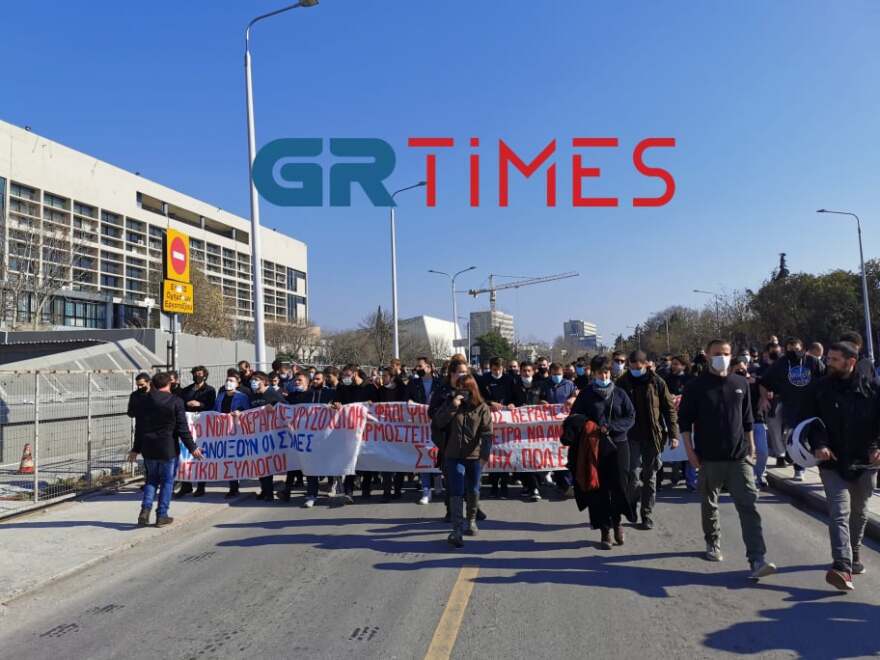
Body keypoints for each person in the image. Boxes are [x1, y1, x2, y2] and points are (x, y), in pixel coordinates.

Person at [679, 339, 777, 581]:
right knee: (709, 503)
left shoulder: (740, 383)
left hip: (739, 457)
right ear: (707, 355)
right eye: (716, 354)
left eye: (725, 353)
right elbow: (685, 424)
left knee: (749, 506)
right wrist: (690, 452)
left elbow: (747, 419)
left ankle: (757, 558)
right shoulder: (695, 387)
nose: (720, 357)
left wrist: (751, 446)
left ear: (731, 355)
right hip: (708, 459)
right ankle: (713, 542)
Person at [798, 341, 880, 592]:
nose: (828, 363)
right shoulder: (820, 388)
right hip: (831, 461)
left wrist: (878, 446)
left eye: (834, 359)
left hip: (864, 463)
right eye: (829, 358)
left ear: (851, 361)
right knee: (838, 511)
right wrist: (819, 444)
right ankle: (842, 566)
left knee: (860, 511)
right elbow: (812, 422)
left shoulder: (872, 389)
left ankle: (854, 553)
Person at [567, 355, 637, 549]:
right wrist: (590, 426)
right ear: (594, 373)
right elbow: (575, 417)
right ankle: (604, 529)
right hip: (594, 447)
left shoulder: (621, 393)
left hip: (618, 445)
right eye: (599, 372)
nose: (603, 375)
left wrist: (612, 427)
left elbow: (630, 417)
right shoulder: (586, 394)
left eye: (606, 372)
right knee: (598, 489)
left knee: (620, 486)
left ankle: (617, 523)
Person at [128, 372, 204, 527]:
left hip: (148, 447)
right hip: (167, 447)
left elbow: (140, 427)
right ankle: (161, 515)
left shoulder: (144, 400)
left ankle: (145, 511)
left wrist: (135, 449)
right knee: (167, 482)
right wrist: (193, 448)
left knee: (151, 480)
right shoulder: (176, 401)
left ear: (153, 384)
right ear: (169, 384)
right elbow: (182, 429)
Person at [615, 350, 679, 530]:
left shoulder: (657, 382)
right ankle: (632, 506)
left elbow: (669, 409)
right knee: (633, 477)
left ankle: (647, 514)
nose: (635, 370)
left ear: (646, 365)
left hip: (652, 436)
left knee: (650, 477)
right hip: (629, 437)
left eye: (639, 367)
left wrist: (674, 435)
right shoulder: (621, 383)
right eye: (632, 366)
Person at [432, 372, 493, 548]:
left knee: (473, 488)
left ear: (473, 389)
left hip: (473, 456)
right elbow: (438, 423)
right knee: (457, 490)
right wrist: (453, 405)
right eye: (459, 387)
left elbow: (487, 434)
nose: (462, 391)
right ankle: (457, 529)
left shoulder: (482, 408)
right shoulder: (450, 403)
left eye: (465, 388)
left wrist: (484, 457)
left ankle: (471, 521)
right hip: (453, 456)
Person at [759, 336, 825, 481]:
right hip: (792, 408)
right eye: (790, 350)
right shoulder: (781, 364)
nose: (794, 353)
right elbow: (764, 382)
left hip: (813, 407)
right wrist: (764, 398)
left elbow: (826, 379)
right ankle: (798, 467)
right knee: (797, 438)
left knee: (817, 440)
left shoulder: (813, 362)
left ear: (802, 348)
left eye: (796, 349)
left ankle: (823, 469)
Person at [175, 366, 217, 498]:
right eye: (195, 374)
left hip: (203, 426)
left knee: (200, 454)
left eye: (199, 374)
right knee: (185, 455)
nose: (197, 376)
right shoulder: (186, 390)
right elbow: (181, 404)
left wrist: (200, 405)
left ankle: (200, 486)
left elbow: (211, 406)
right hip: (188, 425)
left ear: (205, 375)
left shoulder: (210, 390)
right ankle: (186, 485)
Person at [480, 357, 516, 498]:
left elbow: (515, 396)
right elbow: (480, 397)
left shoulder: (509, 380)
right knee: (493, 451)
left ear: (503, 368)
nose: (496, 372)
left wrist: (512, 403)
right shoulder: (484, 379)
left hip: (506, 419)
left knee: (505, 451)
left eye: (499, 369)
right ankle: (494, 485)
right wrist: (490, 403)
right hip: (491, 418)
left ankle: (505, 485)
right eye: (494, 369)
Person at [407, 357, 440, 505]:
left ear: (429, 367)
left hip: (439, 425)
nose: (418, 368)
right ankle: (426, 490)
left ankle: (438, 480)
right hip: (421, 426)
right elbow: (405, 398)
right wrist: (409, 402)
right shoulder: (414, 383)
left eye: (420, 366)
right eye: (417, 366)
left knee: (439, 454)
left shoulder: (440, 383)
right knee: (424, 456)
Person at [732, 356, 768, 489]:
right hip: (739, 422)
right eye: (737, 369)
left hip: (757, 419)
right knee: (744, 451)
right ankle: (747, 477)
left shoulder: (757, 381)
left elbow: (765, 392)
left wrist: (764, 397)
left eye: (742, 368)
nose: (741, 371)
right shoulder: (731, 382)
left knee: (762, 451)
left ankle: (760, 475)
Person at [249, 371, 286, 501]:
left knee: (267, 465)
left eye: (256, 379)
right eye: (252, 379)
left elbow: (285, 407)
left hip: (270, 435)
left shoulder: (271, 394)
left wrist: (274, 407)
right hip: (256, 434)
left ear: (265, 382)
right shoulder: (253, 396)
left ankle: (269, 492)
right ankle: (264, 490)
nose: (253, 382)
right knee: (260, 465)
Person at [214, 372, 251, 498]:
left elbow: (248, 411)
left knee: (234, 459)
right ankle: (233, 486)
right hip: (223, 431)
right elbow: (215, 411)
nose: (228, 382)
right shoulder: (220, 396)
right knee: (228, 459)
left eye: (231, 380)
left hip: (237, 431)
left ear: (237, 383)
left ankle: (234, 486)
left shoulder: (242, 397)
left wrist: (239, 412)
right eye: (227, 380)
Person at [511, 361, 544, 501]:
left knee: (534, 457)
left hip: (536, 429)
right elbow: (510, 401)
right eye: (524, 371)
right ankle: (528, 485)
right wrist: (512, 405)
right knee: (523, 456)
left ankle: (535, 487)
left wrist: (544, 403)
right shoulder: (515, 387)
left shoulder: (539, 386)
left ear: (533, 371)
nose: (526, 373)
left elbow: (546, 400)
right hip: (520, 429)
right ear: (520, 372)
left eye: (529, 371)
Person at [378, 366, 408, 501]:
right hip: (385, 431)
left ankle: (397, 489)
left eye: (385, 376)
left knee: (400, 461)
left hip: (400, 430)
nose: (382, 378)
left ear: (392, 377)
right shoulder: (381, 391)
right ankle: (386, 491)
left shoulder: (402, 390)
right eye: (382, 376)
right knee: (385, 463)